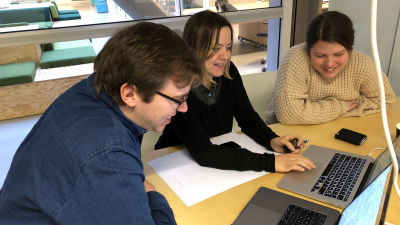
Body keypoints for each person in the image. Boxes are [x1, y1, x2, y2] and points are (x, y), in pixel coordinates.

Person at [0, 22, 201, 225]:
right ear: (130, 94)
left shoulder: (94, 88)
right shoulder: (107, 156)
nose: (184, 108)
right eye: (178, 99)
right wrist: (154, 197)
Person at [155, 10, 315, 173]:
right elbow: (204, 153)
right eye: (216, 48)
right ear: (195, 49)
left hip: (215, 156)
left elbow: (247, 118)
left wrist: (272, 140)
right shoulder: (179, 88)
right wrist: (270, 162)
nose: (224, 56)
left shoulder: (229, 72)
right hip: (173, 163)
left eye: (228, 47)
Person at [265, 11, 396, 125]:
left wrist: (313, 112)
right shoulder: (295, 59)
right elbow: (288, 114)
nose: (329, 64)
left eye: (338, 54)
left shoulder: (362, 63)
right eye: (320, 55)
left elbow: (386, 100)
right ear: (309, 49)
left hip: (338, 129)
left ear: (350, 50)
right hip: (286, 134)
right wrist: (340, 107)